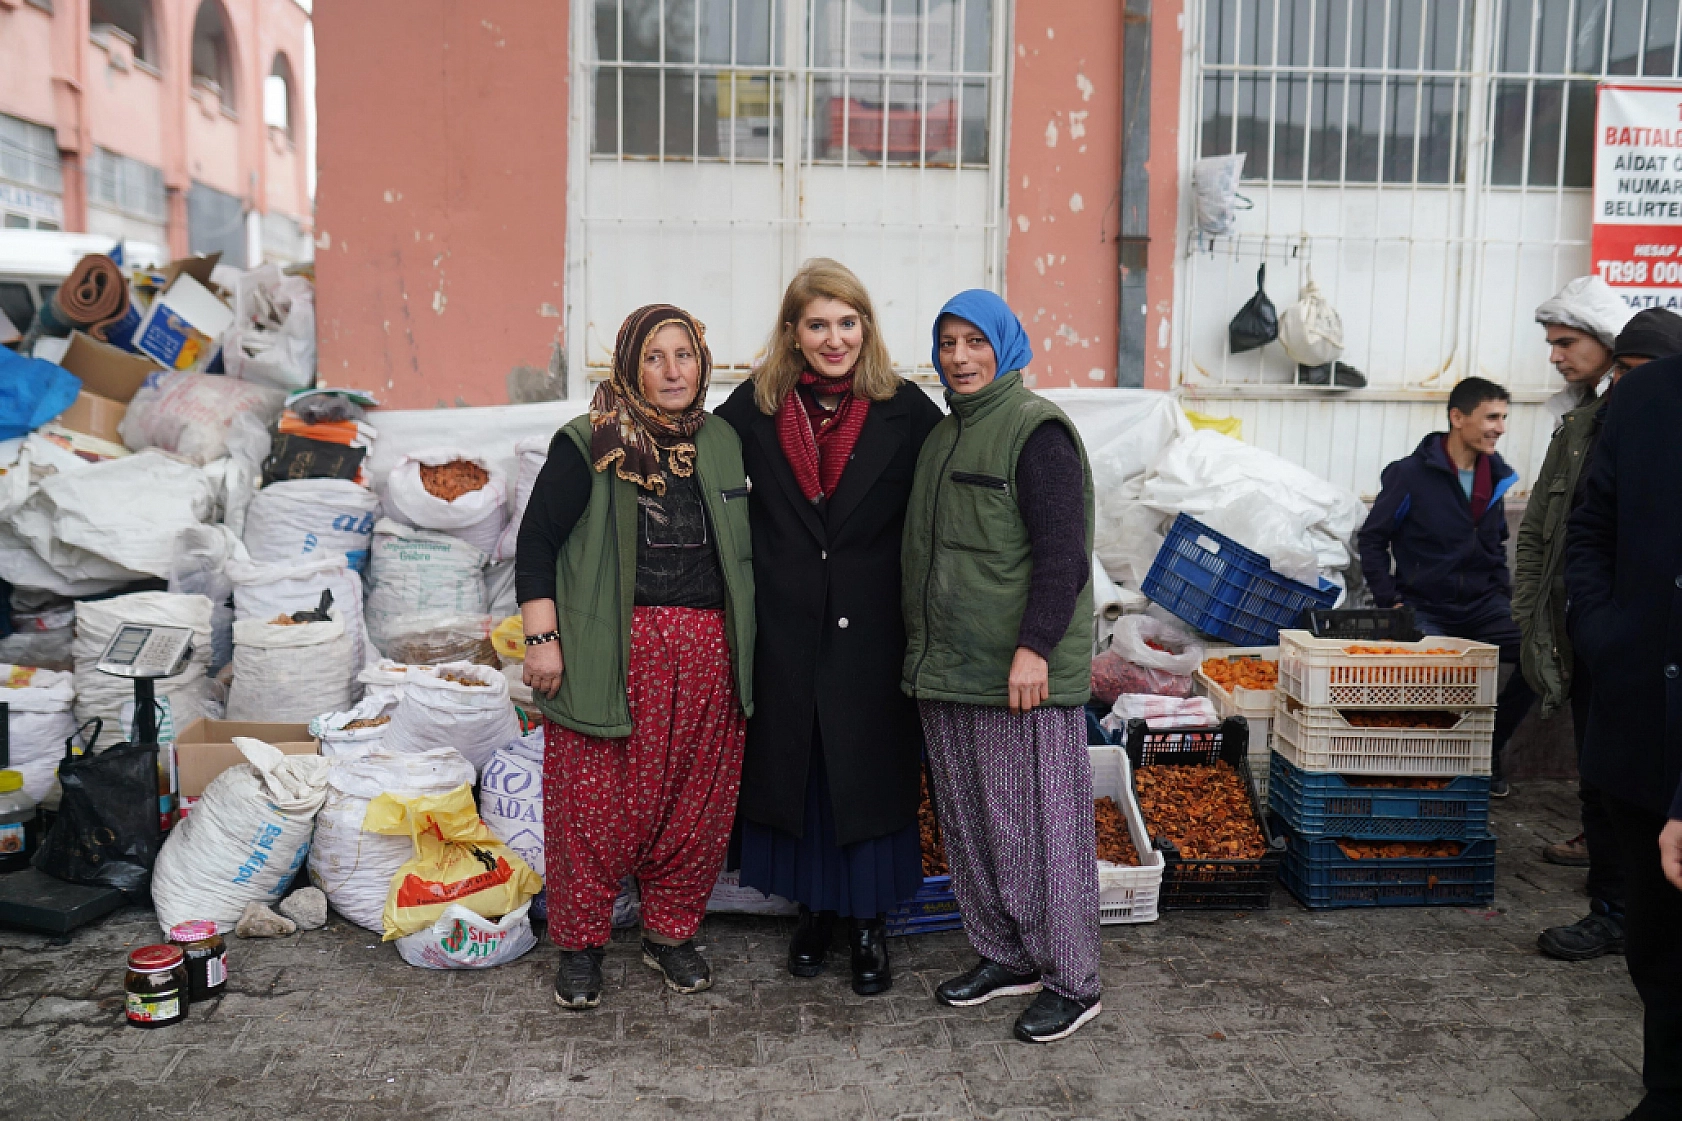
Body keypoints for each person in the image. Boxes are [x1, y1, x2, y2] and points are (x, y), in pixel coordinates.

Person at [515, 303, 756, 1011]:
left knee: (693, 803)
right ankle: (582, 945)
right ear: (628, 365)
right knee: (592, 805)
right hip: (608, 652)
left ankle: (670, 933)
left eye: (684, 354)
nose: (673, 370)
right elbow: (535, 544)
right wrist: (541, 638)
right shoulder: (588, 439)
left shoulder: (722, 443)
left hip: (709, 651)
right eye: (655, 356)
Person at [715, 260, 942, 995]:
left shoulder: (906, 410)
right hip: (786, 628)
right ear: (793, 332)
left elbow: (944, 505)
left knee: (868, 775)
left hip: (873, 631)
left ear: (866, 328)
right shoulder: (753, 408)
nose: (834, 338)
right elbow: (703, 479)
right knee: (805, 773)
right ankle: (814, 911)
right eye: (818, 324)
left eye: (848, 322)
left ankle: (869, 922)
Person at [901, 289, 1101, 1045]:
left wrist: (1035, 648)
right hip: (949, 667)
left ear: (1007, 346)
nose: (959, 357)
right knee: (974, 823)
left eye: (974, 342)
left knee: (1044, 829)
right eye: (947, 342)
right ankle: (1006, 953)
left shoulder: (1035, 430)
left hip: (1018, 673)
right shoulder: (945, 435)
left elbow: (1063, 555)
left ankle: (1074, 979)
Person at [1521, 308, 1682, 963]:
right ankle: (1613, 908)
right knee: (1609, 782)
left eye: (1567, 342)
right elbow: (1572, 528)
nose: (1630, 384)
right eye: (1626, 371)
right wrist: (1595, 625)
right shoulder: (1584, 424)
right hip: (1616, 644)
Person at [1565, 351, 1682, 1119]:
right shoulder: (1646, 396)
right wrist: (1605, 634)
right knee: (1657, 946)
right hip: (1643, 723)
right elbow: (1589, 526)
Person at [1357, 377, 1532, 797]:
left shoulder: (1498, 476)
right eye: (1491, 417)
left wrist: (1501, 598)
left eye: (1504, 418)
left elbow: (1495, 544)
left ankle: (1489, 748)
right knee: (1430, 680)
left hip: (1483, 606)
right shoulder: (1411, 475)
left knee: (1539, 657)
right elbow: (1372, 538)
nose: (1500, 428)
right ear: (1457, 417)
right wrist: (1391, 601)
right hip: (1424, 608)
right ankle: (1429, 771)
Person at [1534, 276, 1632, 429]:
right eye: (1552, 345)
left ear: (1605, 340)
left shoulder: (1636, 401)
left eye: (1566, 344)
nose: (1554, 358)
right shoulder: (1573, 402)